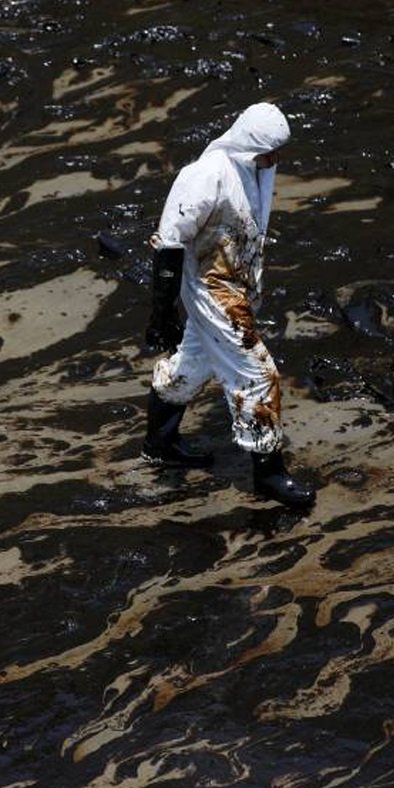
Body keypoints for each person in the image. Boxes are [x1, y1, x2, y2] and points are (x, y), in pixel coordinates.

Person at [142, 102, 316, 508]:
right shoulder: (205, 177)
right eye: (267, 151)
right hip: (210, 289)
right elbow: (169, 242)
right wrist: (161, 311)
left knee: (191, 364)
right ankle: (270, 476)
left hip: (233, 286)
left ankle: (159, 444)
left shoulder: (254, 171)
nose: (274, 160)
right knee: (259, 376)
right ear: (247, 143)